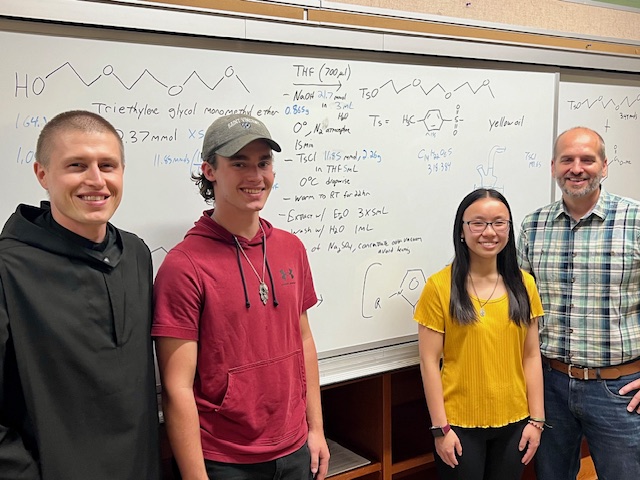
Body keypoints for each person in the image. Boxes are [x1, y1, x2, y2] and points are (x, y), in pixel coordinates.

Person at [152, 113, 330, 480]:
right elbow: (177, 387)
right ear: (209, 170)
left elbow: (304, 340)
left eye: (264, 163)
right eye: (239, 163)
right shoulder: (184, 265)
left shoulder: (290, 248)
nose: (256, 176)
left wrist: (316, 429)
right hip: (226, 459)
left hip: (296, 447)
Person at [0, 110, 161, 479]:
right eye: (77, 165)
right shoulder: (8, 268)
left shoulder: (136, 254)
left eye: (108, 165)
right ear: (42, 174)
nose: (96, 180)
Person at [518, 126, 640, 480]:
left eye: (587, 159)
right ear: (553, 166)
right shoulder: (533, 226)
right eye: (567, 159)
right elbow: (521, 308)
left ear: (604, 166)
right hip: (550, 386)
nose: (577, 168)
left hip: (619, 390)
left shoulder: (634, 220)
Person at [415, 188, 544, 480]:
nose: (489, 232)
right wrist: (440, 429)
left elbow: (531, 355)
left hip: (516, 423)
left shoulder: (524, 285)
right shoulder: (439, 287)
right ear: (462, 230)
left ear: (509, 230)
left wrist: (536, 421)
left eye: (499, 222)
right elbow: (428, 362)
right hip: (458, 426)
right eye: (478, 223)